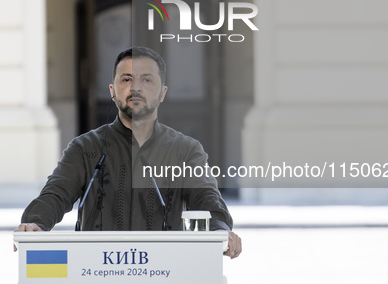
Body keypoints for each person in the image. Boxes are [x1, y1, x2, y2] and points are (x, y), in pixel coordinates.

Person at [15, 46, 242, 259]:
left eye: (147, 79)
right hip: (96, 270)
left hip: (166, 271)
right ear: (113, 91)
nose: (136, 87)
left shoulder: (186, 150)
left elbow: (206, 198)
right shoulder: (85, 148)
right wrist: (35, 222)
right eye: (126, 79)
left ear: (162, 93)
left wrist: (220, 229)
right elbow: (56, 194)